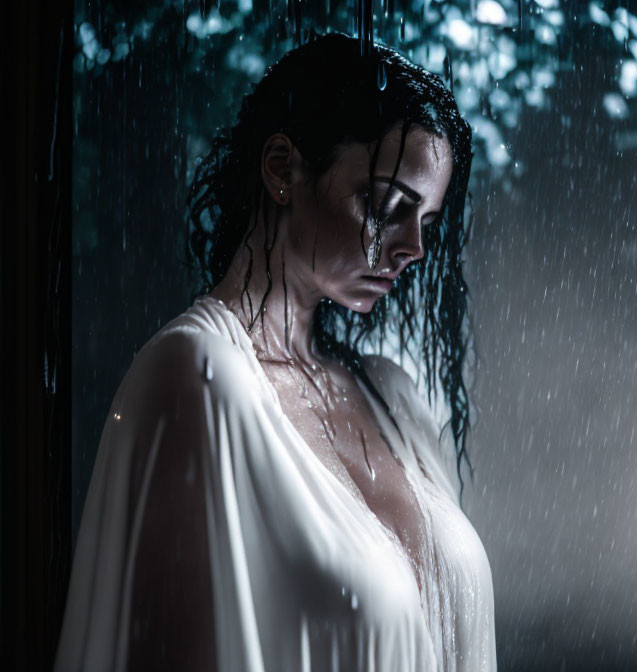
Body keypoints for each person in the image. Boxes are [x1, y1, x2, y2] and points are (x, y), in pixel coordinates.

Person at [54, 32, 496, 671]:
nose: (411, 249)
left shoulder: (392, 396)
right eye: (387, 206)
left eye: (425, 223)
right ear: (282, 169)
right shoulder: (198, 380)